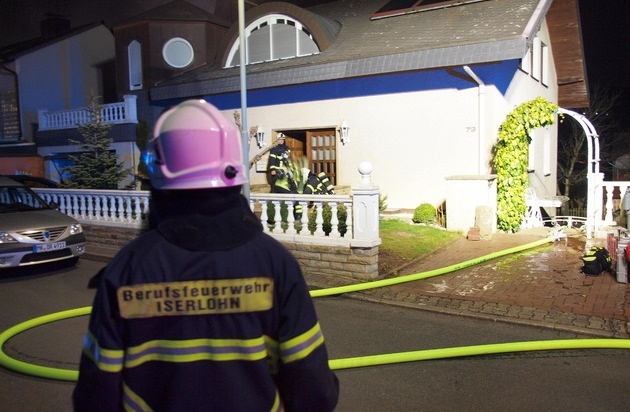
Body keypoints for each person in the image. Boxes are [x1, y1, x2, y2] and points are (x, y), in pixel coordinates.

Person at [73, 99, 339, 412]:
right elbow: (313, 391)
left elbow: (96, 395)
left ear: (159, 176)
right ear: (235, 174)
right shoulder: (275, 263)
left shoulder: (127, 269)